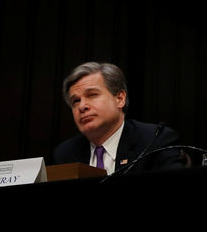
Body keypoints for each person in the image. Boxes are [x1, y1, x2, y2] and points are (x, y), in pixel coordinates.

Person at [53, 62, 185, 173]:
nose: (82, 106)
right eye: (75, 101)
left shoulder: (155, 141)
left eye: (92, 95)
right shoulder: (65, 154)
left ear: (120, 99)